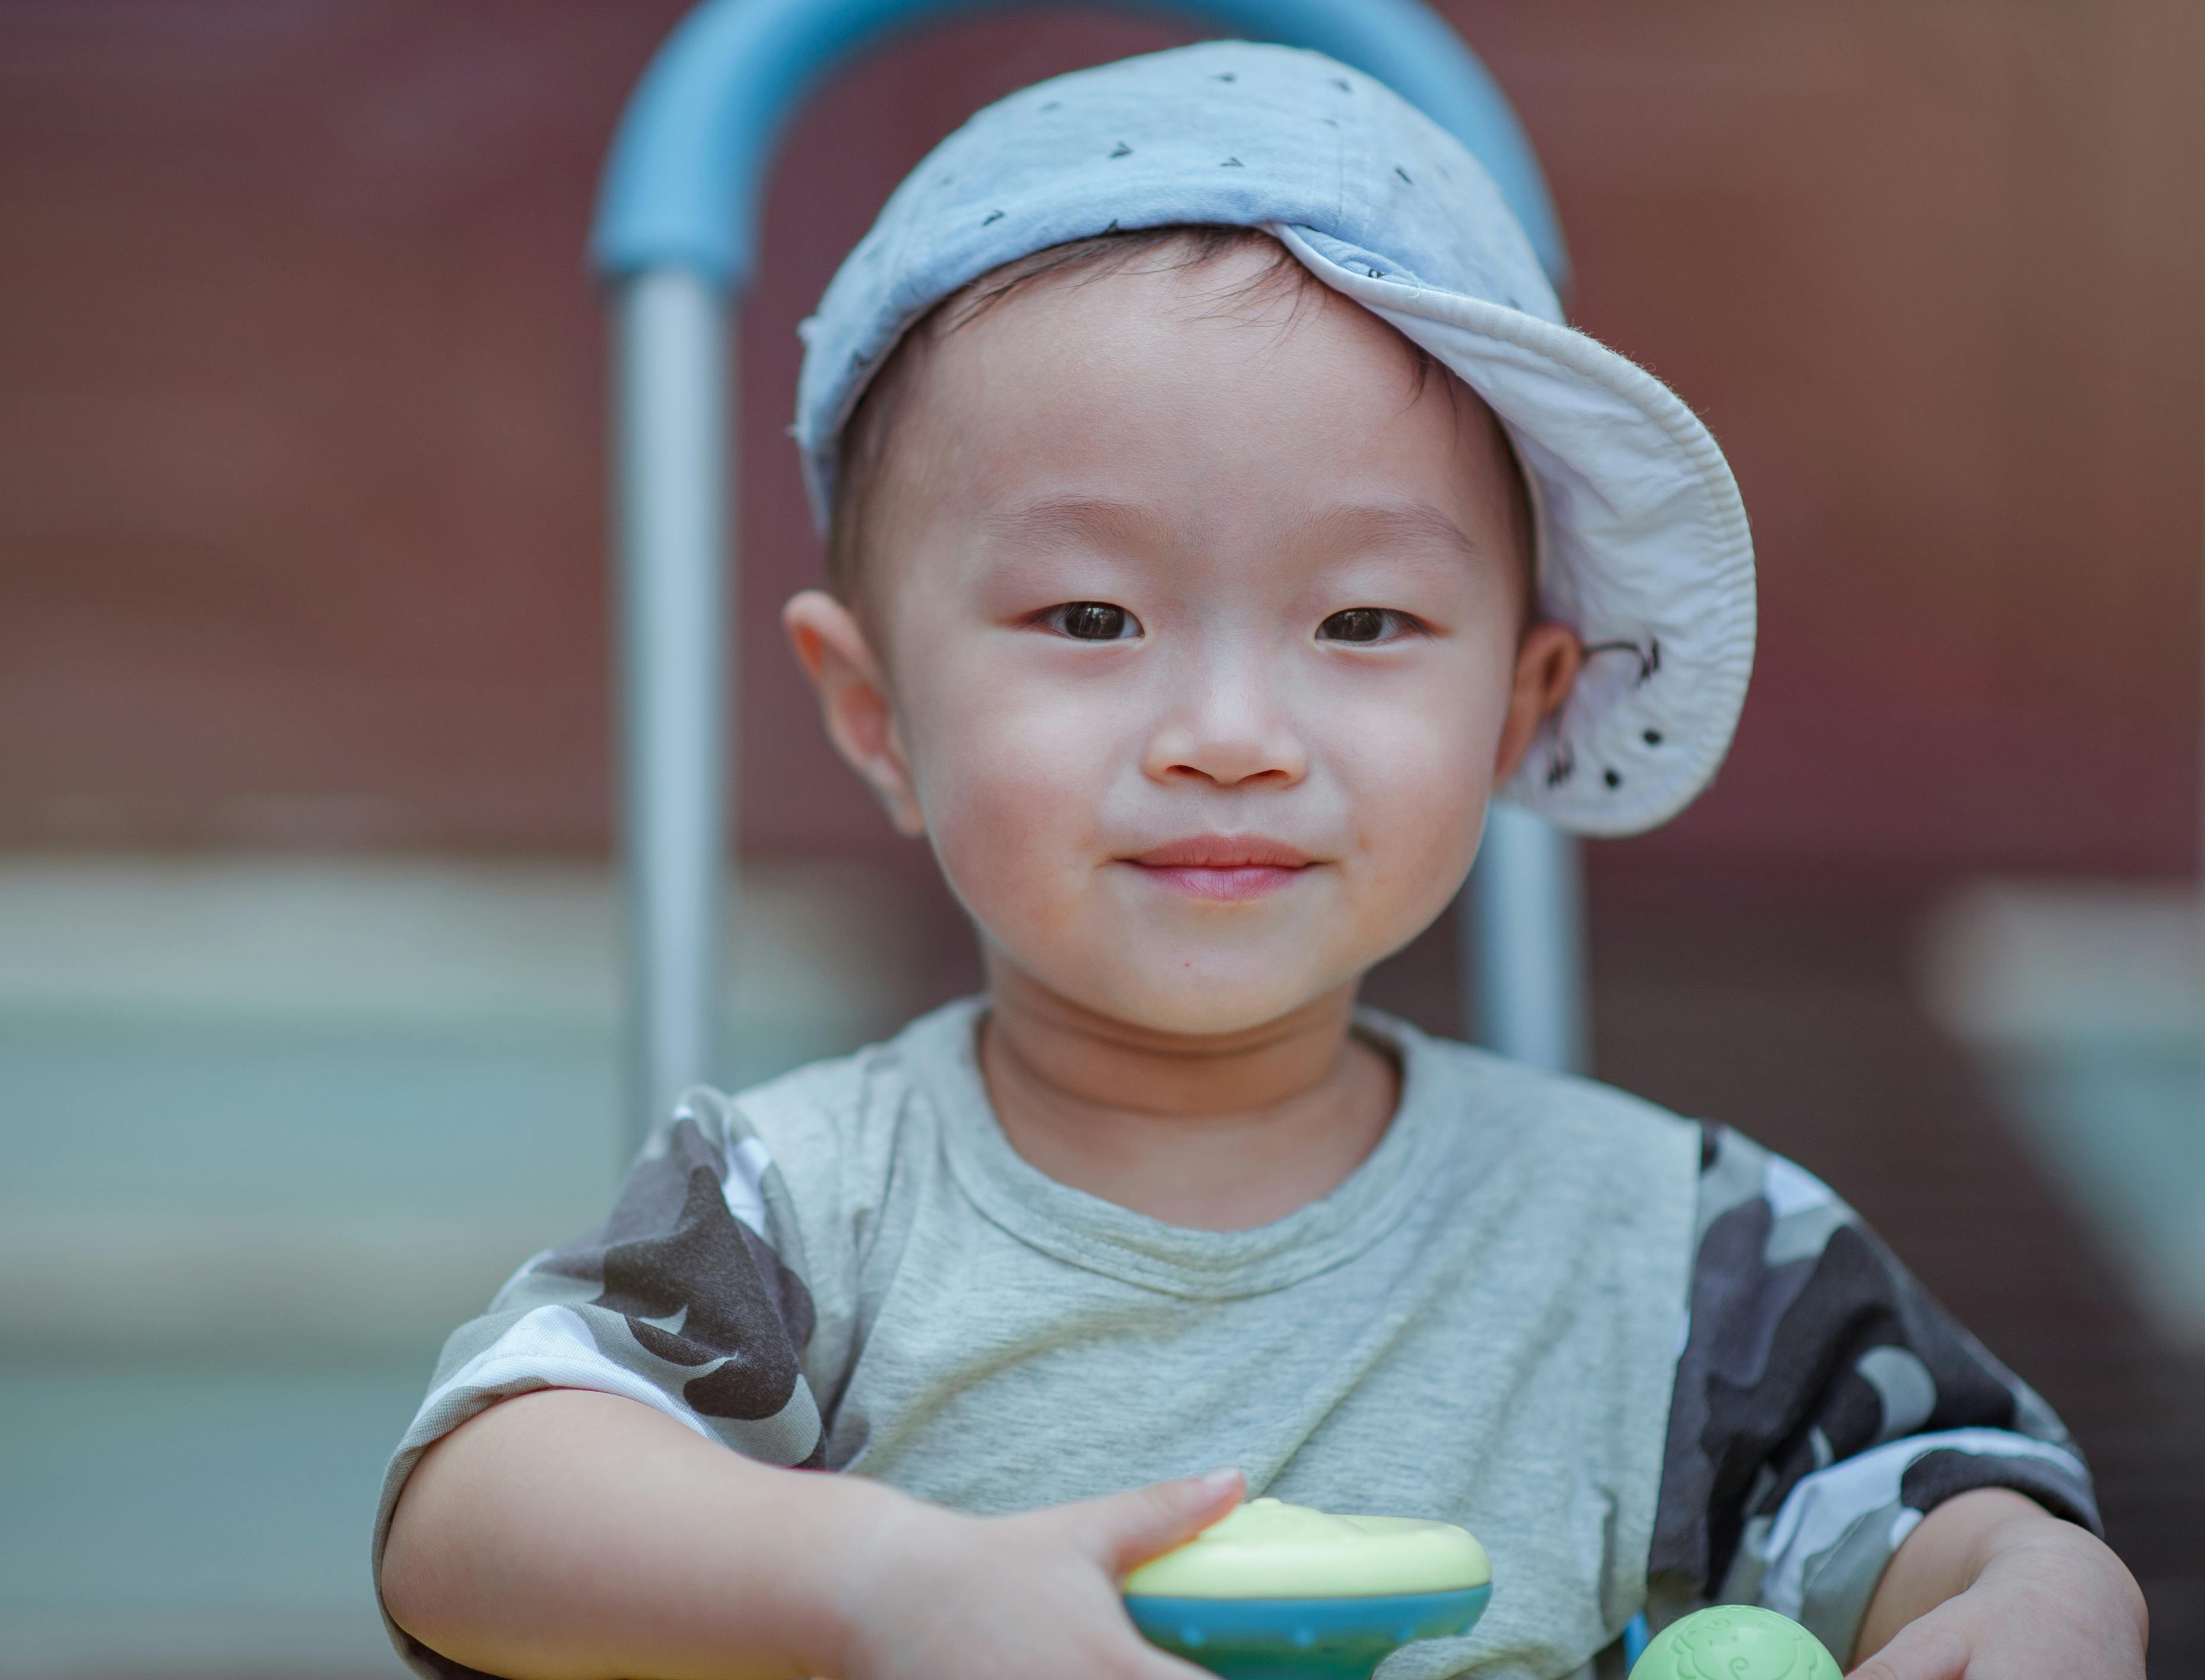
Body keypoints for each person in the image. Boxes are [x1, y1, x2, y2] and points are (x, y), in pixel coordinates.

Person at [374, 42, 2144, 1680]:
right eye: (1089, 614)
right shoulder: (801, 1215)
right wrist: (872, 1582)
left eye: (1362, 621)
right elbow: (468, 1518)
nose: (1229, 727)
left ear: (1521, 708)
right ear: (873, 713)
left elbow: (1934, 1498)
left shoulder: (1676, 1250)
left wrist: (2038, 1584)